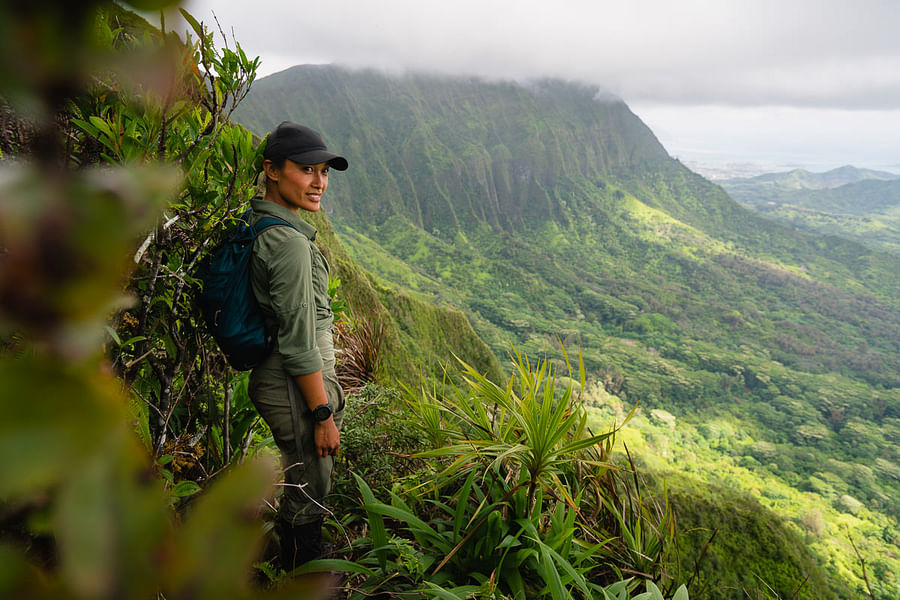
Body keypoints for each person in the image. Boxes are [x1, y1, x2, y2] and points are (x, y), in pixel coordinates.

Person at [248, 121, 348, 570]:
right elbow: (299, 343)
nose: (319, 182)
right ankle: (299, 574)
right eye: (307, 170)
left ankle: (296, 562)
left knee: (309, 473)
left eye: (324, 172)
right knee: (311, 481)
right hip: (294, 381)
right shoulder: (287, 243)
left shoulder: (268, 226)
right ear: (272, 169)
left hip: (293, 379)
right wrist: (322, 413)